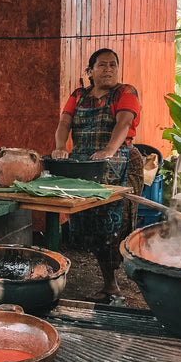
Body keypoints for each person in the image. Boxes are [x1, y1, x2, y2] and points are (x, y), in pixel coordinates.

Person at [52, 48, 144, 302]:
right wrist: (61, 147)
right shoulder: (79, 95)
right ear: (90, 71)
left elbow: (124, 123)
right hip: (84, 166)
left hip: (119, 164)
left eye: (113, 65)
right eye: (102, 65)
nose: (108, 69)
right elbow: (64, 123)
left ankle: (116, 284)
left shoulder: (126, 92)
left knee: (114, 227)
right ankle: (108, 283)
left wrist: (109, 151)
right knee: (90, 226)